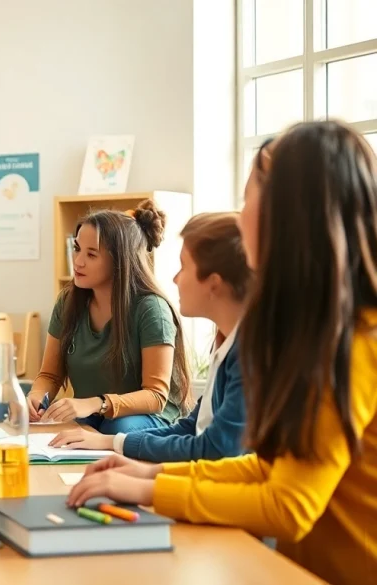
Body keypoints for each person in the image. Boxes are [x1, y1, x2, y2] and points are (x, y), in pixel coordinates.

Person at [67, 121, 377, 585]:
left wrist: (149, 491)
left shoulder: (351, 341)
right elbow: (272, 469)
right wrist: (150, 480)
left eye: (247, 197)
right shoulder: (322, 328)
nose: (241, 211)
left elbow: (287, 506)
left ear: (283, 213)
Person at [50, 212, 251, 462]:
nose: (175, 279)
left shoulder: (249, 355)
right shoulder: (224, 343)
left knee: (114, 429)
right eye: (78, 249)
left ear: (214, 283)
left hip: (146, 422)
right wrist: (113, 448)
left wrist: (144, 483)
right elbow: (192, 430)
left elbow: (214, 450)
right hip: (211, 480)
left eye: (184, 267)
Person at [25, 200, 193, 433]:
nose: (78, 261)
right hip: (93, 415)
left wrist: (97, 403)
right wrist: (35, 397)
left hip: (148, 417)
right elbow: (50, 375)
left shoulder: (151, 309)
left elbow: (155, 396)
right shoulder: (67, 303)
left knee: (116, 427)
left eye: (91, 254)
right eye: (76, 249)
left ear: (120, 260)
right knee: (57, 428)